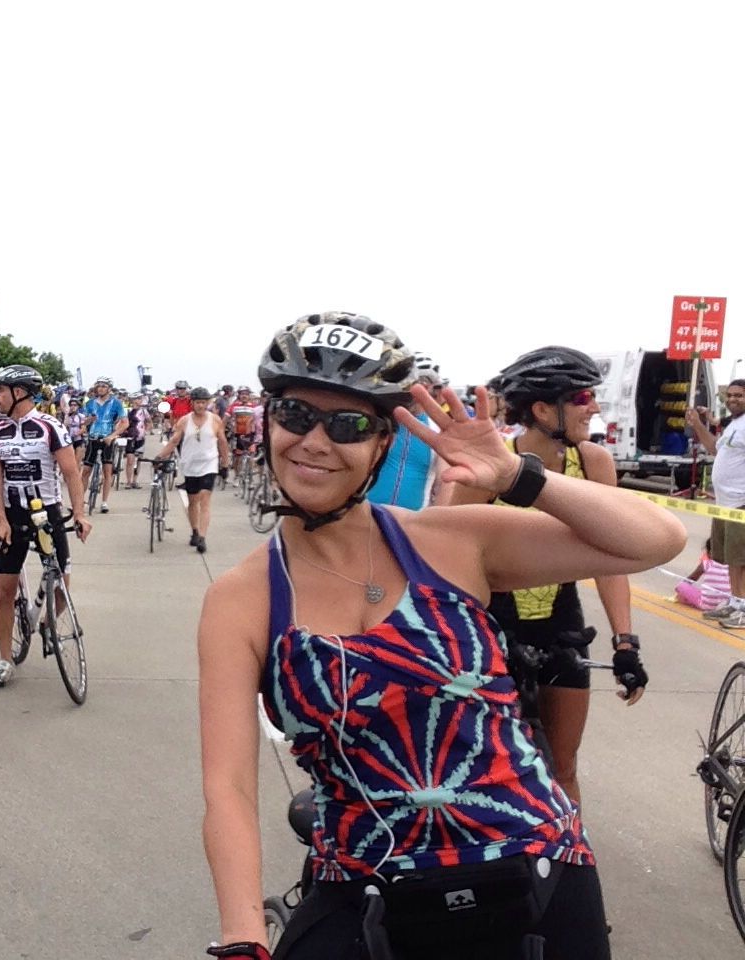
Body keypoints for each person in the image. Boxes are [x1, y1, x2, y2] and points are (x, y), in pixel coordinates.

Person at [199, 314, 684, 960]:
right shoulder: (242, 598)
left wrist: (518, 478)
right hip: (366, 887)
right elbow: (229, 788)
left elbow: (657, 539)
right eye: (295, 414)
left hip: (535, 872)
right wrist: (243, 938)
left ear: (382, 444)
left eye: (347, 425)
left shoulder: (451, 542)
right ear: (268, 421)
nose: (314, 441)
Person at [441, 346, 647, 804]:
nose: (595, 408)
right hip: (492, 625)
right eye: (583, 398)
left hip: (561, 622)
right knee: (486, 768)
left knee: (563, 766)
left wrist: (626, 643)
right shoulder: (493, 463)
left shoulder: (593, 463)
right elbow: (449, 559)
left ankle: (571, 847)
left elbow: (611, 561)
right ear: (541, 409)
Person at [0, 365, 91, 686]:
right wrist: (1, 520)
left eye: (1, 390)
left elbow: (71, 473)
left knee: (61, 588)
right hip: (13, 517)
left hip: (47, 513)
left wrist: (80, 513)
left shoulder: (50, 427)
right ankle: (5, 659)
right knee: (4, 591)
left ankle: (47, 624)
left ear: (19, 393)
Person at [687, 380, 745, 626]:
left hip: (741, 503)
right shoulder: (735, 425)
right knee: (732, 557)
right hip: (725, 504)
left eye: (739, 395)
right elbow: (714, 449)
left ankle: (743, 608)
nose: (732, 399)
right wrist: (698, 425)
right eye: (729, 395)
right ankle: (735, 602)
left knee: (741, 558)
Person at [155, 386, 229, 553]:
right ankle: (195, 531)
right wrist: (160, 456)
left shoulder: (215, 420)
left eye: (203, 402)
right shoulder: (184, 421)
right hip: (190, 465)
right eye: (197, 402)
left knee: (205, 498)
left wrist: (225, 464)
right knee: (193, 500)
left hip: (209, 464)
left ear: (207, 403)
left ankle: (202, 537)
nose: (200, 405)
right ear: (192, 403)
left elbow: (222, 442)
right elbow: (174, 441)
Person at [366, 356, 441, 509]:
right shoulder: (381, 422)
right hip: (367, 515)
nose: (405, 394)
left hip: (414, 519)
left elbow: (443, 483)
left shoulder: (437, 430)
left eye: (411, 386)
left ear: (426, 388)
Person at [81, 376, 128, 513]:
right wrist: (89, 420)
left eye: (103, 386)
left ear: (109, 389)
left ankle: (104, 501)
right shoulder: (90, 403)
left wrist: (112, 436)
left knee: (107, 471)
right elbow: (84, 422)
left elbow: (125, 423)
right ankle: (80, 500)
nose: (100, 389)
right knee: (85, 471)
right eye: (98, 386)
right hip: (93, 438)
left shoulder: (116, 403)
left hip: (107, 439)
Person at [123, 392, 151, 487]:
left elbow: (149, 421)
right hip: (130, 437)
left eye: (140, 399)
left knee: (139, 460)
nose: (139, 401)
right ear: (132, 400)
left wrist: (146, 431)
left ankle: (135, 481)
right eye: (137, 399)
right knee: (130, 460)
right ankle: (128, 481)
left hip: (140, 437)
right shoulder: (127, 410)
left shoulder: (144, 411)